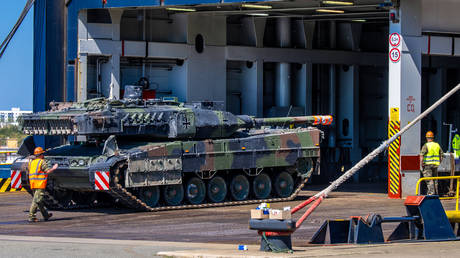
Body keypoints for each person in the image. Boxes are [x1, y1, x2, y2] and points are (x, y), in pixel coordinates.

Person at [28, 147, 58, 222]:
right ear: (41, 154)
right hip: (40, 184)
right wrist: (54, 168)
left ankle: (46, 215)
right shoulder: (42, 162)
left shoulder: (32, 162)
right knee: (36, 201)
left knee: (39, 201)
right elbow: (47, 171)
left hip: (33, 184)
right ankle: (31, 217)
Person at [419, 131, 443, 195]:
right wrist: (439, 162)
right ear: (433, 138)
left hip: (427, 165)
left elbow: (421, 155)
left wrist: (421, 164)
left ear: (427, 138)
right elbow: (441, 155)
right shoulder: (437, 145)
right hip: (435, 165)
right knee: (435, 179)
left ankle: (431, 194)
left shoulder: (426, 145)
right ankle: (436, 194)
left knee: (429, 180)